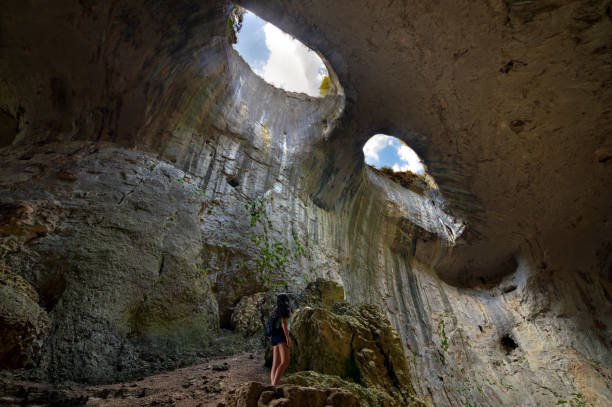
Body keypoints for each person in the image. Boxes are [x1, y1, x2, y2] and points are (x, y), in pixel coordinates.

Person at [270, 293, 292, 385]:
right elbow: (283, 322)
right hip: (281, 337)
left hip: (274, 337)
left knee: (276, 363)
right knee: (285, 361)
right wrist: (287, 337)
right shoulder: (285, 309)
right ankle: (274, 385)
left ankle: (272, 385)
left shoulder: (276, 310)